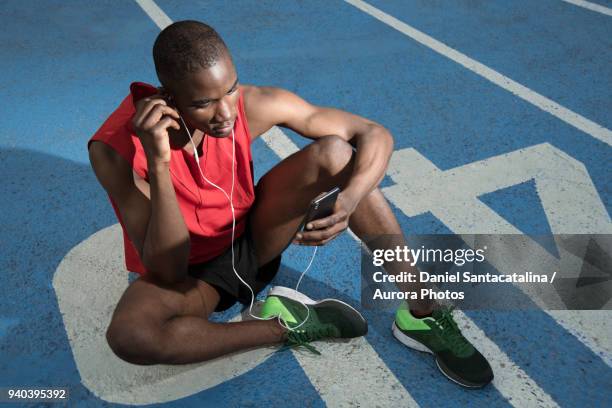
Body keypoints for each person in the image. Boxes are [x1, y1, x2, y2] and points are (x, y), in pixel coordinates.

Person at [87, 20, 493, 388]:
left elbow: (373, 133)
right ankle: (288, 324)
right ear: (168, 97)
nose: (226, 113)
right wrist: (159, 164)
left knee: (337, 154)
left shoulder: (248, 104)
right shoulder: (116, 151)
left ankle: (421, 311)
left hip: (256, 237)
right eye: (203, 103)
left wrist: (348, 200)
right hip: (194, 278)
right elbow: (168, 269)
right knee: (132, 336)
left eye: (229, 89)